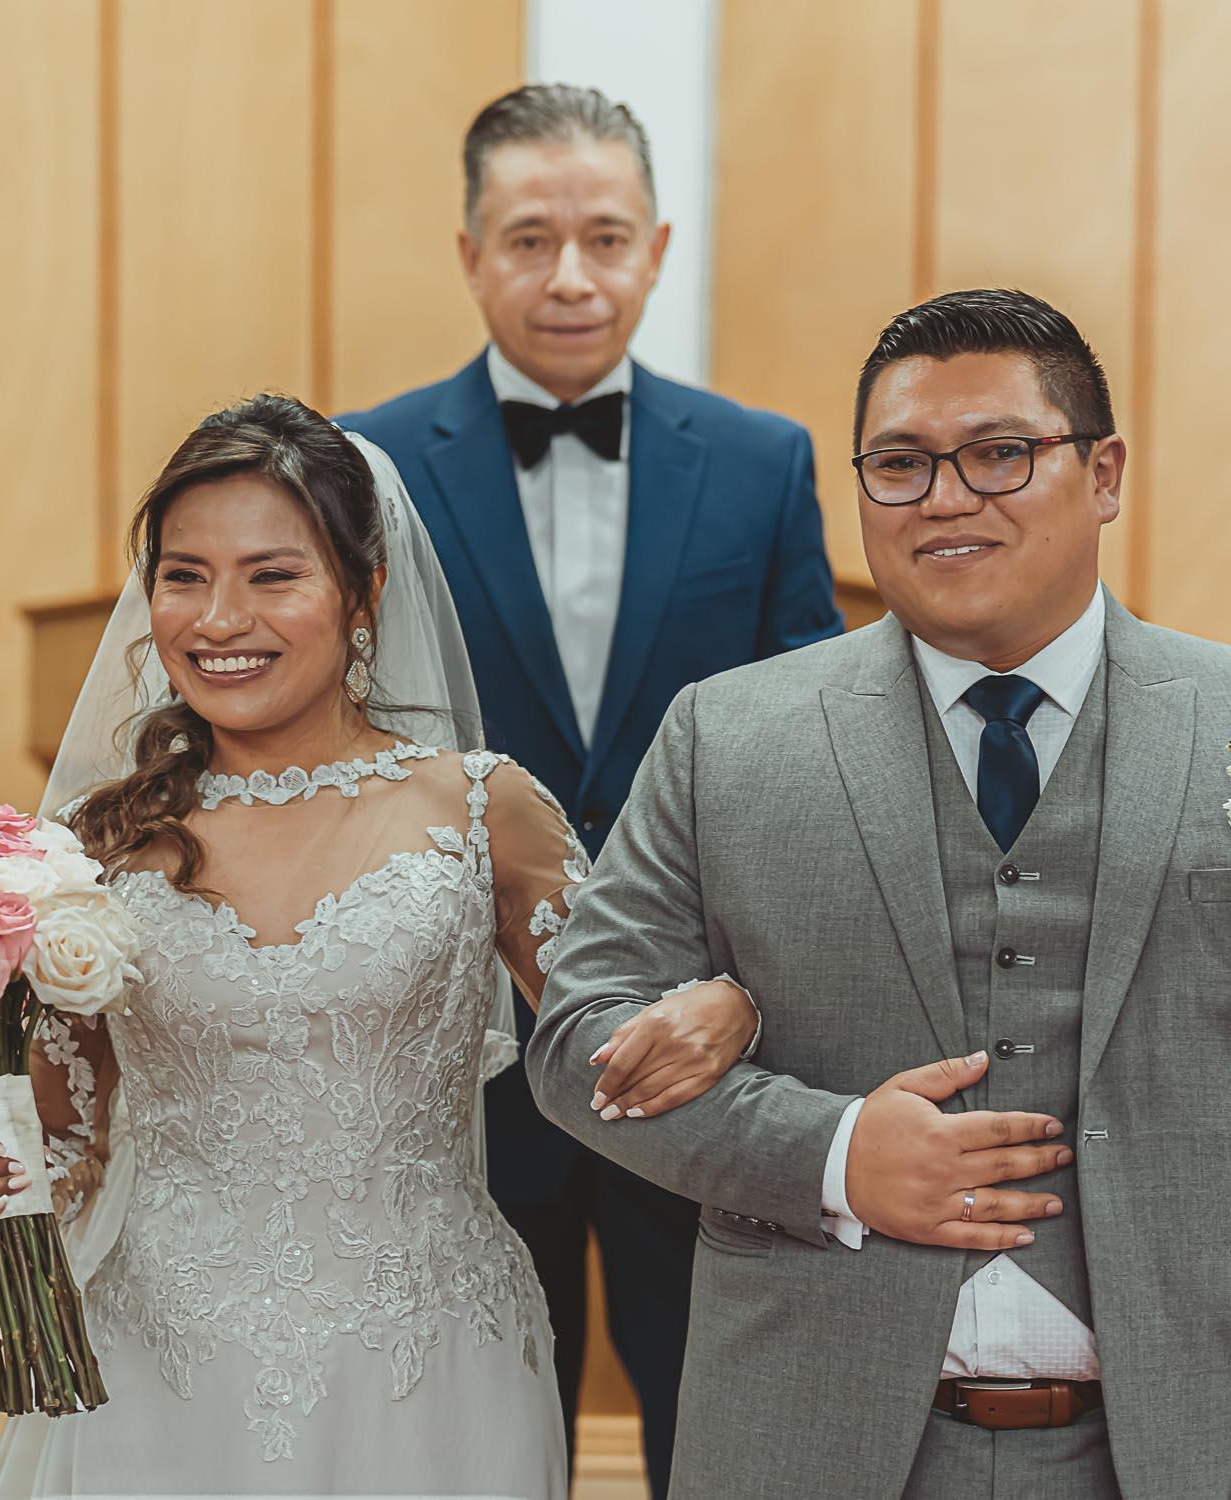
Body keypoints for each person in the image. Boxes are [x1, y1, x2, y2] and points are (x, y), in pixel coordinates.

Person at [526, 289, 1231, 1499]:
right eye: (899, 464)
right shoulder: (726, 738)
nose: (945, 497)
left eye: (998, 454)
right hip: (805, 1435)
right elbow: (573, 1042)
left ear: (1102, 473)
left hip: (1198, 1446)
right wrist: (832, 1154)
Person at [0, 395, 756, 1498]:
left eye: (271, 576)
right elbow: (64, 1135)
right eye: (184, 575)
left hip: (426, 1362)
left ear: (363, 591)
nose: (219, 619)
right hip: (159, 1365)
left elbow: (619, 1039)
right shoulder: (99, 842)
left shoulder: (481, 809)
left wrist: (726, 1007)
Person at [338, 83, 842, 1493]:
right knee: (479, 1417)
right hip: (451, 1040)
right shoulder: (363, 461)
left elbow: (812, 748)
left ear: (657, 249)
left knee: (713, 1404)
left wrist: (745, 982)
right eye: (529, 239)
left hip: (697, 1032)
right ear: (469, 253)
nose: (570, 275)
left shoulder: (760, 462)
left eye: (605, 238)